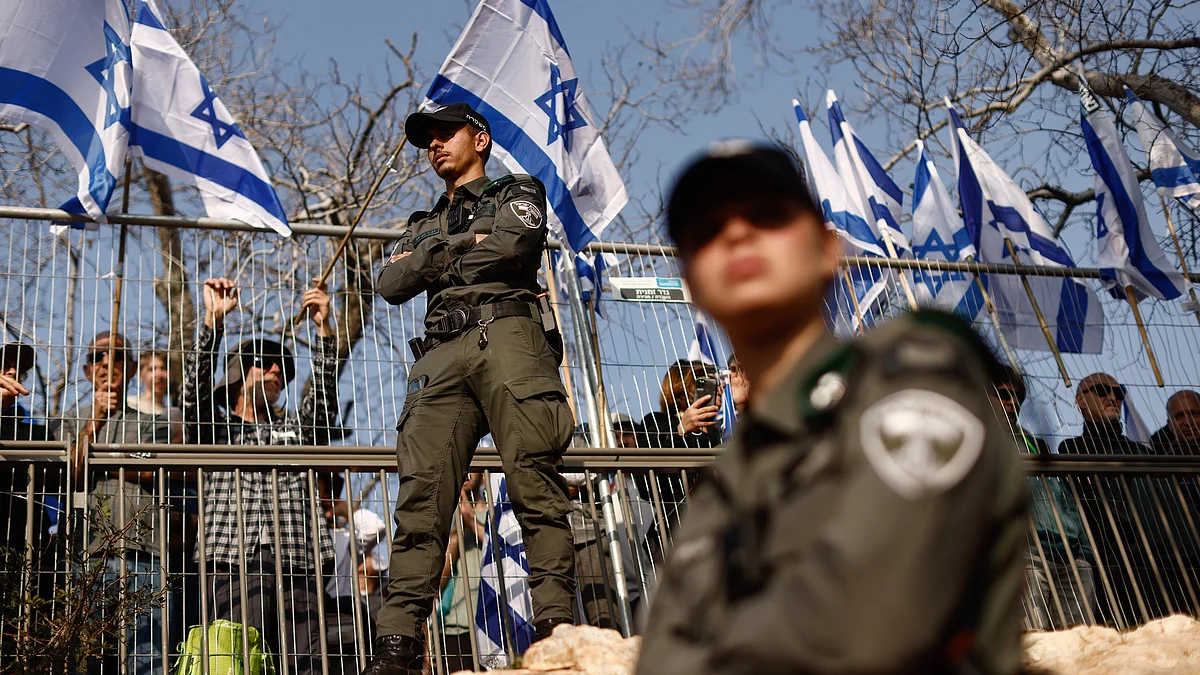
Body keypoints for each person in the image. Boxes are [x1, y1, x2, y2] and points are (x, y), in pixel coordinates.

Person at [635, 142, 1027, 675]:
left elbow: (870, 623)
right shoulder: (728, 480)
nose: (735, 233)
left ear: (827, 249)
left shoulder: (913, 383)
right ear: (692, 285)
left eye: (768, 215)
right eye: (705, 231)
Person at [366, 103, 576, 675]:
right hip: (438, 359)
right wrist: (457, 246)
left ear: (479, 138)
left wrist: (433, 259)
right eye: (426, 140)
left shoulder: (516, 192)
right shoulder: (420, 220)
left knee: (535, 482)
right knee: (421, 503)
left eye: (444, 134)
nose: (434, 145)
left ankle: (556, 626)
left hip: (507, 336)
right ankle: (398, 644)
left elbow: (513, 249)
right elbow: (389, 282)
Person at [182, 277, 340, 675]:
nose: (274, 370)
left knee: (308, 662)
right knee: (237, 661)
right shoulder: (213, 429)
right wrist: (213, 323)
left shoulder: (297, 430)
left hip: (297, 554)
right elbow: (192, 393)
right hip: (230, 556)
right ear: (237, 375)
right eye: (262, 363)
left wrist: (324, 329)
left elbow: (322, 401)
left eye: (280, 369)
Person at [58, 332, 173, 675]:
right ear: (86, 370)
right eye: (98, 357)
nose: (108, 364)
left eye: (118, 356)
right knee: (84, 657)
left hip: (144, 553)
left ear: (133, 368)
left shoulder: (154, 422)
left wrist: (99, 456)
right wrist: (95, 420)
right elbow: (71, 475)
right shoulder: (71, 421)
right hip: (86, 553)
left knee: (146, 657)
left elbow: (157, 470)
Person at [991, 366, 1096, 630]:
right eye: (1003, 395)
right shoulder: (976, 441)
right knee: (1033, 639)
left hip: (1070, 556)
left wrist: (1083, 551)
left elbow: (1062, 498)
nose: (1012, 402)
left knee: (1081, 641)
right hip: (1025, 558)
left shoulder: (1033, 442)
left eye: (1017, 396)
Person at [436, 473, 486, 674]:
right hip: (456, 623)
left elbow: (506, 552)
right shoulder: (443, 519)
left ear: (483, 477)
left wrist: (471, 522)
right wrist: (456, 532)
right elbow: (438, 580)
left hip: (495, 621)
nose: (465, 471)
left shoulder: (497, 511)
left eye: (471, 465)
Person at [641, 360, 723, 449]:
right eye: (711, 383)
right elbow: (650, 458)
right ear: (685, 385)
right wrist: (681, 431)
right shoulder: (658, 423)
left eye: (717, 382)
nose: (720, 389)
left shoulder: (717, 429)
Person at [1151, 390, 1200, 456]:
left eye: (1195, 414)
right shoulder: (1165, 463)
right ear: (1170, 425)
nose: (1188, 422)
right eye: (1179, 416)